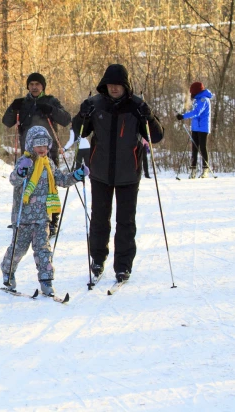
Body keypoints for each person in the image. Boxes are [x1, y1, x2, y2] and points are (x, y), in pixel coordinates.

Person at [72, 64, 164, 283]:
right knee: (99, 220)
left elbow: (157, 136)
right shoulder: (95, 105)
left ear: (126, 86)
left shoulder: (136, 106)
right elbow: (80, 131)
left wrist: (148, 117)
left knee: (126, 222)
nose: (113, 89)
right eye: (110, 84)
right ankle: (97, 259)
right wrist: (82, 115)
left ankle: (123, 266)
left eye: (118, 85)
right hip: (100, 172)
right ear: (105, 85)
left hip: (128, 174)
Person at [1, 126, 88, 296]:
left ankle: (46, 281)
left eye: (45, 145)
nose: (42, 149)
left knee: (43, 250)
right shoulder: (24, 162)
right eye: (38, 145)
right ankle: (8, 271)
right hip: (23, 217)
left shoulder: (49, 164)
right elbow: (14, 180)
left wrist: (76, 175)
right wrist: (21, 172)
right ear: (30, 145)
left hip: (42, 217)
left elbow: (61, 180)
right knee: (18, 249)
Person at [2, 72, 72, 237]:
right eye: (31, 84)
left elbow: (66, 119)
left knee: (49, 186)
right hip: (27, 153)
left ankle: (52, 221)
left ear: (43, 87)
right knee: (24, 185)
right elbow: (6, 121)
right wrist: (13, 108)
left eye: (37, 84)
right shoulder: (22, 103)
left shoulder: (50, 101)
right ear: (28, 86)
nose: (34, 87)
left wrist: (51, 110)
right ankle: (22, 219)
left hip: (48, 151)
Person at [176, 82, 213, 179]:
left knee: (202, 148)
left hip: (203, 128)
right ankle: (193, 170)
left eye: (192, 92)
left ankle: (205, 170)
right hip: (195, 128)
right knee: (194, 149)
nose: (191, 94)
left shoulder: (203, 99)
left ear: (196, 91)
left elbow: (197, 112)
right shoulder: (197, 100)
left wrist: (183, 116)